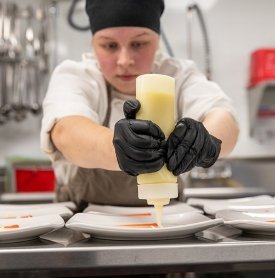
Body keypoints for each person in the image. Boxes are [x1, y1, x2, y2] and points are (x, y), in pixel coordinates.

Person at [40, 0, 239, 209]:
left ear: (157, 42)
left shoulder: (179, 74)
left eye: (138, 44)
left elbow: (224, 119)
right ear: (93, 44)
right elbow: (65, 132)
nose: (125, 60)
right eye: (109, 45)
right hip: (82, 227)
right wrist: (115, 147)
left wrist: (205, 139)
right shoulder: (75, 75)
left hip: (172, 223)